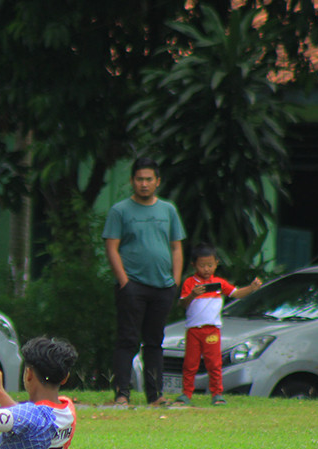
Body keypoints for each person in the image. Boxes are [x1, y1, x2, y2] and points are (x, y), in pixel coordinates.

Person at [103, 157, 186, 407]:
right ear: (132, 181)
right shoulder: (120, 210)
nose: (144, 184)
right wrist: (124, 282)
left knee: (154, 342)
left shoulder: (168, 210)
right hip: (133, 286)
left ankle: (155, 395)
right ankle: (122, 394)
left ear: (157, 182)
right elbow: (111, 247)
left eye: (149, 179)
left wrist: (175, 282)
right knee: (128, 340)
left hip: (163, 287)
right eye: (139, 179)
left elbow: (176, 247)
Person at [173, 242, 262, 406]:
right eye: (202, 266)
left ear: (216, 264)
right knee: (190, 363)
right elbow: (182, 304)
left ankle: (217, 394)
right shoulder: (189, 283)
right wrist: (192, 295)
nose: (206, 269)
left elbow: (236, 294)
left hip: (212, 330)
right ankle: (186, 394)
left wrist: (251, 288)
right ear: (194, 265)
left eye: (210, 265)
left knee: (214, 363)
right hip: (194, 330)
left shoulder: (219, 283)